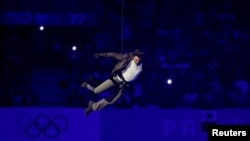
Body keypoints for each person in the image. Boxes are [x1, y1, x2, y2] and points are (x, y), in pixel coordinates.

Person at [81, 49, 144, 116]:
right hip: (116, 78)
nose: (137, 61)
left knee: (112, 100)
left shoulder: (142, 66)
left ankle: (93, 106)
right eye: (136, 59)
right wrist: (100, 55)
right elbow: (114, 55)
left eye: (139, 60)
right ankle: (88, 84)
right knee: (96, 91)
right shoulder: (128, 58)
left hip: (123, 85)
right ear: (134, 56)